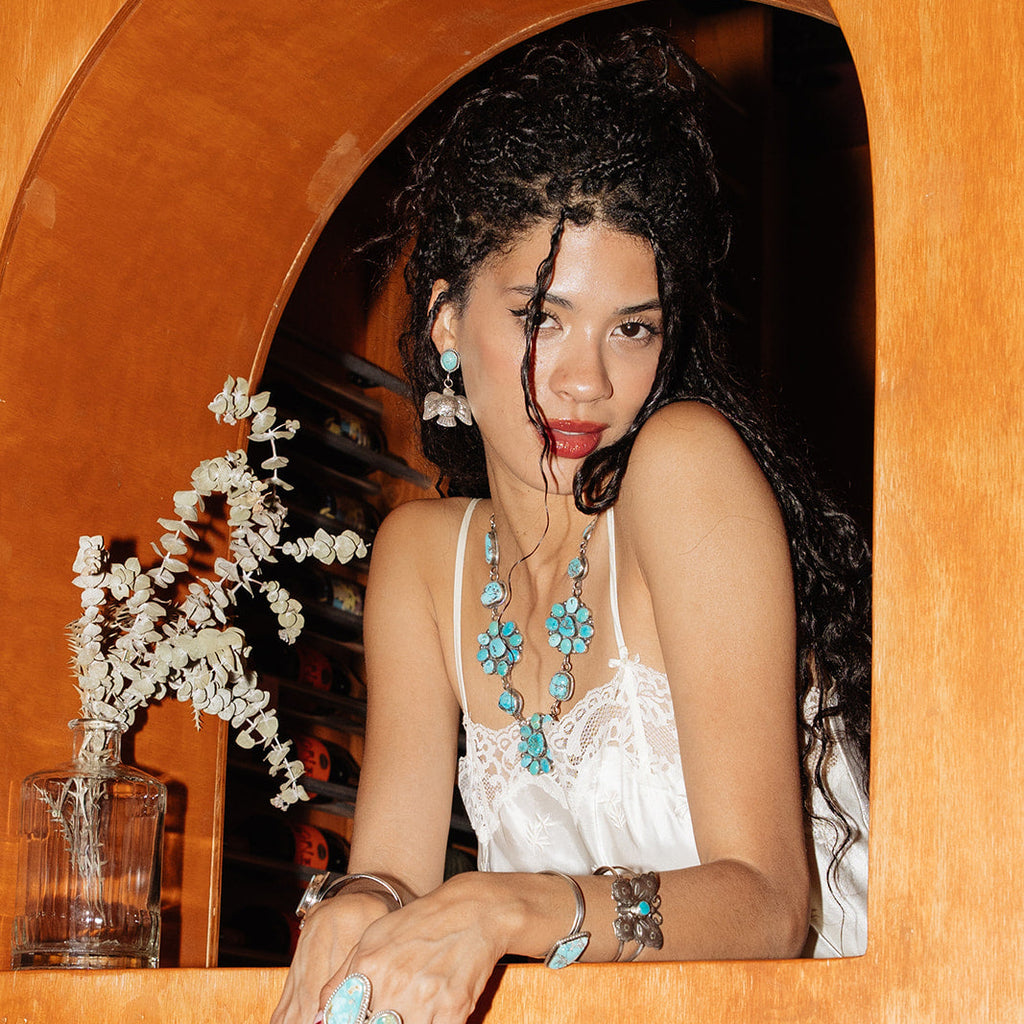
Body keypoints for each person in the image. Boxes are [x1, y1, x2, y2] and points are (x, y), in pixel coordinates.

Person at [271, 26, 870, 1024]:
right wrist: (361, 902)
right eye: (543, 316)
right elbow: (390, 868)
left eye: (631, 327)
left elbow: (769, 904)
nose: (589, 380)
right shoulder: (422, 558)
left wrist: (513, 907)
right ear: (449, 322)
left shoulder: (682, 468)